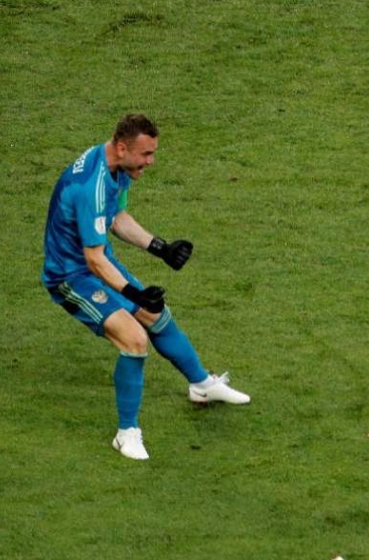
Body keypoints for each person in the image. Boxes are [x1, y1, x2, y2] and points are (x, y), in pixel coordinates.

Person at [41, 114, 249, 460]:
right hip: (71, 276)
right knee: (134, 339)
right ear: (122, 147)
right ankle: (127, 433)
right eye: (146, 154)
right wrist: (133, 295)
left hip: (97, 263)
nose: (150, 162)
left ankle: (202, 385)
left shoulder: (116, 168)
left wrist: (160, 248)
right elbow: (93, 259)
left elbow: (117, 218)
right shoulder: (89, 186)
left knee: (157, 315)